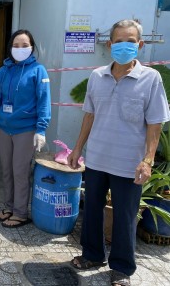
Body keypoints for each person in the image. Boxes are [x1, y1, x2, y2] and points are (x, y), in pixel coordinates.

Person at [67, 19, 170, 286]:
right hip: (97, 158)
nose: (125, 45)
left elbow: (155, 123)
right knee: (91, 210)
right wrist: (77, 148)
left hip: (129, 164)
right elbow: (89, 115)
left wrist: (147, 161)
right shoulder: (96, 76)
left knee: (124, 216)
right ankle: (92, 255)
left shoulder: (151, 78)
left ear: (140, 44)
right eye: (119, 41)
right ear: (110, 44)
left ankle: (122, 269)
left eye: (131, 40)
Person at [0, 29, 51, 228]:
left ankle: (21, 212)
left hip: (26, 130)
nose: (20, 49)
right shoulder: (3, 71)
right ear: (10, 48)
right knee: (7, 170)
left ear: (32, 48)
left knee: (20, 171)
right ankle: (10, 206)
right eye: (16, 45)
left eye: (25, 45)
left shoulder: (38, 71)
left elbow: (44, 101)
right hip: (4, 129)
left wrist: (41, 129)